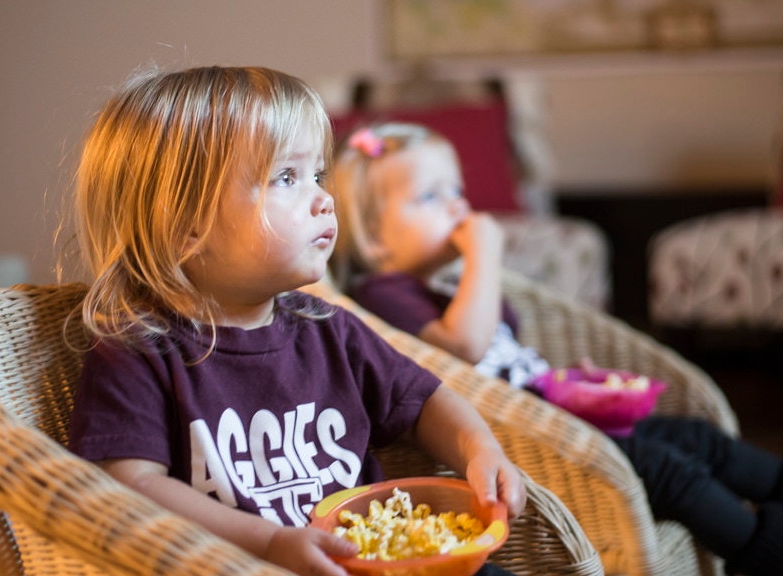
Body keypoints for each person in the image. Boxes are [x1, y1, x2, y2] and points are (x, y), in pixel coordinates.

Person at [329, 121, 783, 576]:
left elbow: (510, 362)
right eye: (431, 197)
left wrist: (573, 381)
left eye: (458, 189)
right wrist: (485, 258)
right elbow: (464, 347)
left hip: (564, 418)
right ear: (376, 239)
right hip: (533, 449)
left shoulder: (442, 284)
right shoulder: (383, 293)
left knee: (698, 438)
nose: (460, 206)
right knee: (671, 471)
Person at [65, 67, 525, 576]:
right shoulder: (139, 350)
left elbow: (425, 402)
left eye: (318, 177)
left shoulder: (330, 329)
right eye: (287, 177)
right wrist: (269, 544)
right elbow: (131, 486)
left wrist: (480, 452)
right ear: (184, 225)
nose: (324, 200)